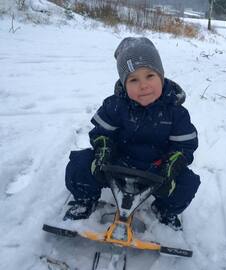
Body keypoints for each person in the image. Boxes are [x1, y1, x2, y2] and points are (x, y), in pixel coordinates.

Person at [64, 37, 200, 230]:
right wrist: (104, 149)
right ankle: (85, 199)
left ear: (161, 76)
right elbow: (101, 133)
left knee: (188, 183)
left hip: (157, 170)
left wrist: (171, 166)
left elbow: (184, 147)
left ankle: (165, 211)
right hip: (117, 165)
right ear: (123, 84)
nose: (143, 85)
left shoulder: (176, 112)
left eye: (150, 76)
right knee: (80, 163)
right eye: (134, 79)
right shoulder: (115, 105)